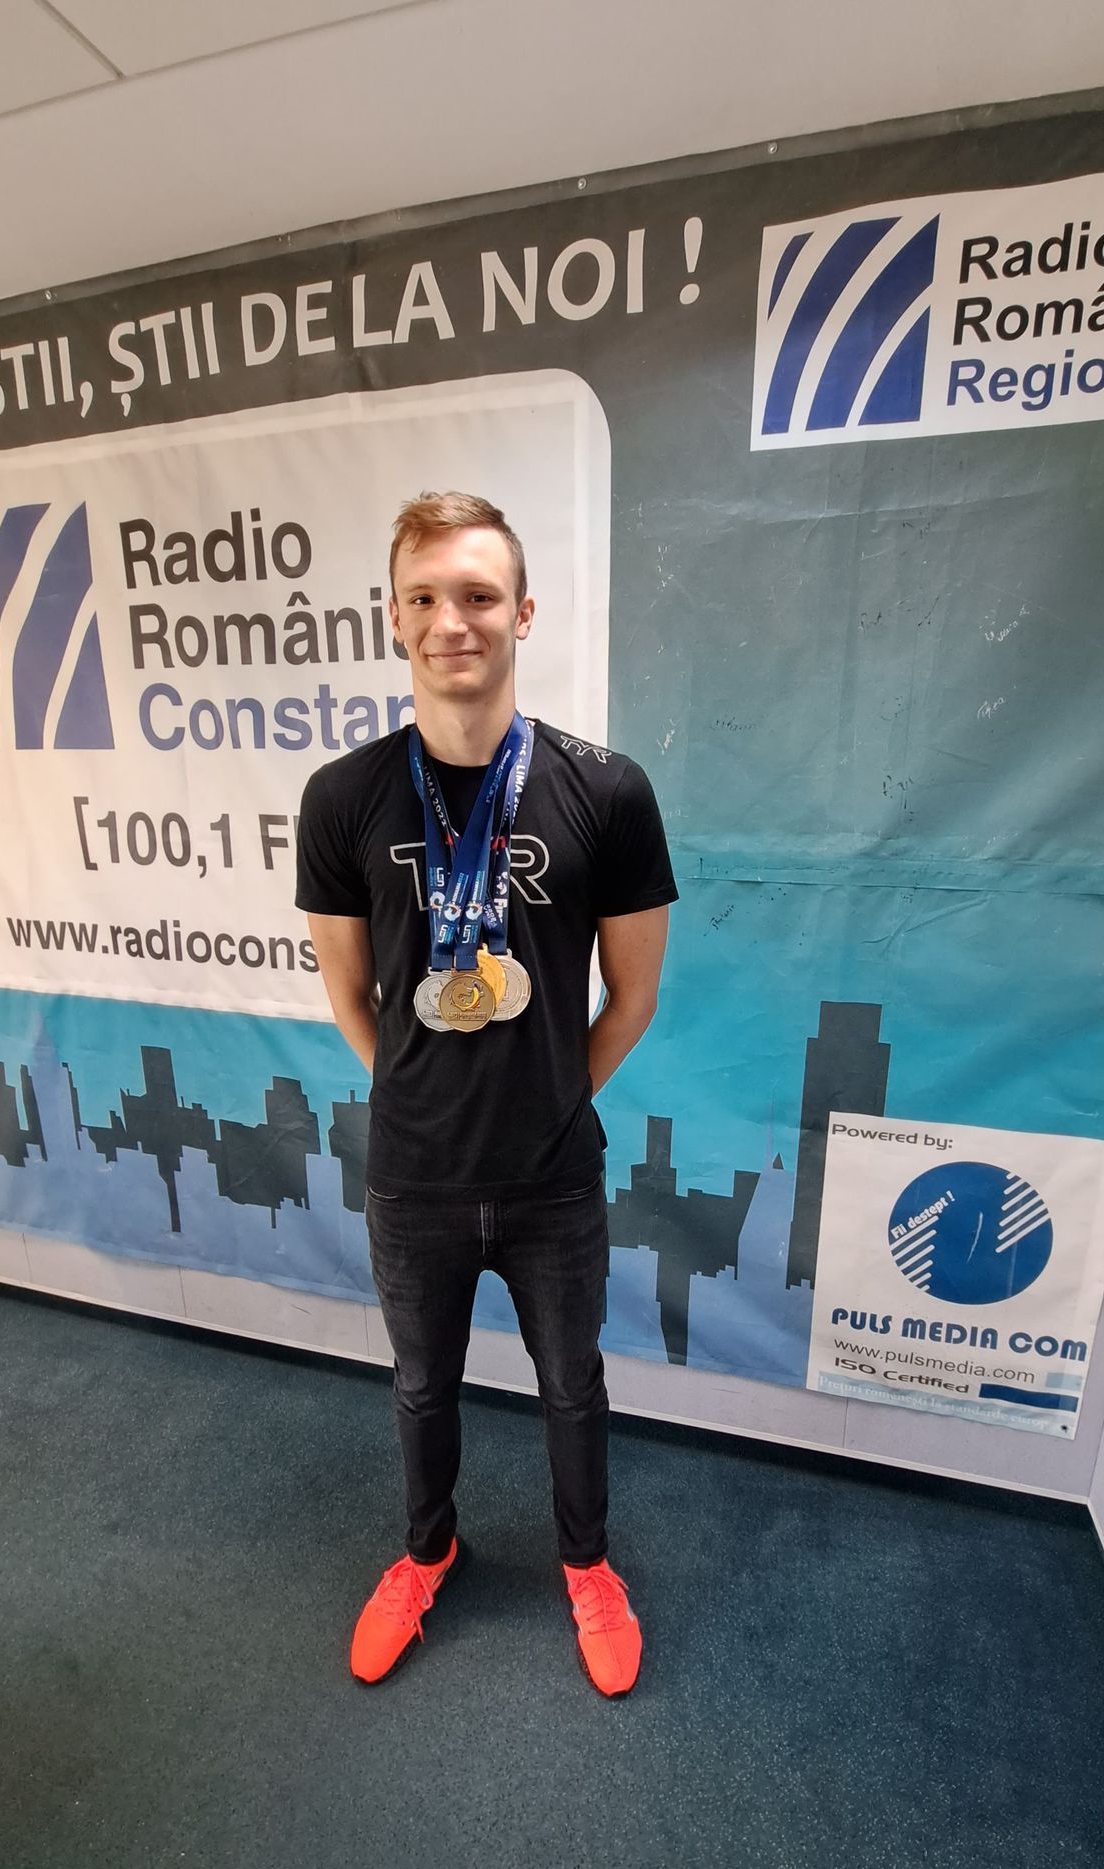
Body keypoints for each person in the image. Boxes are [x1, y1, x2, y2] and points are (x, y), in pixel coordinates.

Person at [295, 491, 676, 1697]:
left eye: (475, 594)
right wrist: (423, 1099)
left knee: (572, 1385)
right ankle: (427, 1552)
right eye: (423, 596)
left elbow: (631, 996)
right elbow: (349, 992)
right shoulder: (342, 796)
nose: (449, 619)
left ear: (522, 612)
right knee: (420, 1386)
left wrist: (549, 1098)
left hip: (553, 1176)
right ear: (393, 618)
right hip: (413, 1176)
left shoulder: (606, 790)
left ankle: (587, 1564)